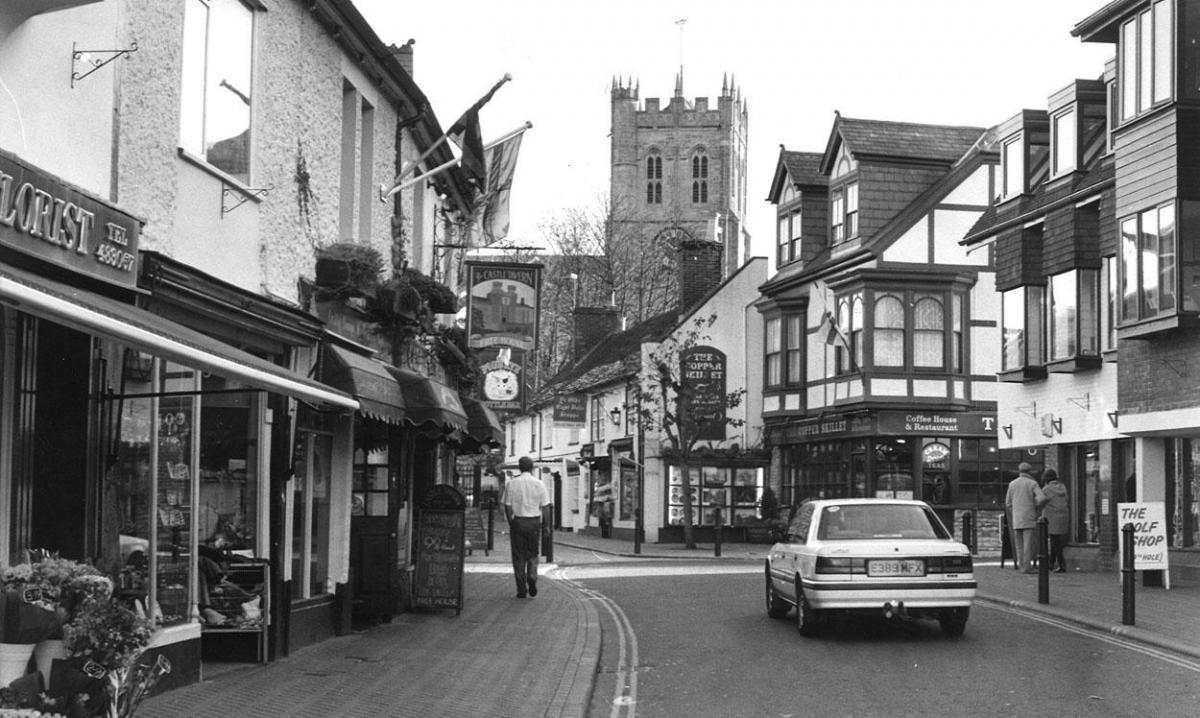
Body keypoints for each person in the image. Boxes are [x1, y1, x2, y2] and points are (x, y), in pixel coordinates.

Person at [502, 456, 551, 598]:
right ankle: (532, 576)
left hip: (518, 522)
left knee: (518, 556)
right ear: (532, 468)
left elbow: (507, 506)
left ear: (519, 467)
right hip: (534, 523)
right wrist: (546, 525)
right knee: (532, 554)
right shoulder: (539, 484)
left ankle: (521, 589)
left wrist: (512, 522)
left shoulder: (512, 483)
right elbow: (546, 507)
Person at [1005, 462, 1046, 574]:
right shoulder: (1032, 483)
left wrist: (1015, 511)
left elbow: (1008, 503)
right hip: (1029, 516)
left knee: (1019, 545)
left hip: (1016, 517)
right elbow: (1042, 498)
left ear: (1019, 471)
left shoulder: (1012, 484)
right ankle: (1027, 567)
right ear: (1029, 471)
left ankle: (1021, 565)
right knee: (1028, 544)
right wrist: (1035, 505)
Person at [1040, 469, 1069, 572]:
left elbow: (1040, 501)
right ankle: (1051, 563)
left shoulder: (1046, 489)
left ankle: (1061, 565)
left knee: (1055, 543)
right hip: (1063, 517)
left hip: (1051, 518)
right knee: (1056, 541)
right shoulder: (1063, 487)